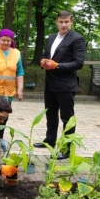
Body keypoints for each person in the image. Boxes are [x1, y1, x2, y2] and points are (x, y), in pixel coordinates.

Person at [33, 10, 86, 160]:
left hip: (66, 85)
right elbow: (46, 55)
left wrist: (56, 66)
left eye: (66, 22)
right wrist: (43, 61)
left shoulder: (77, 39)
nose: (64, 25)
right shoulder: (51, 38)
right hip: (50, 84)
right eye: (61, 22)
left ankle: (66, 148)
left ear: (71, 22)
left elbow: (79, 63)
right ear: (56, 21)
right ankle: (49, 140)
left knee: (67, 119)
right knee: (50, 114)